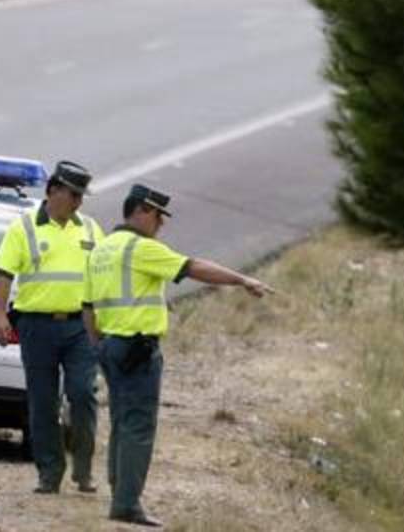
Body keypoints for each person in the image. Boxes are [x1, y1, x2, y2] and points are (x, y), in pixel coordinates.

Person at [83, 184, 272, 527]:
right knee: (139, 426)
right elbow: (193, 267)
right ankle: (126, 504)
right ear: (140, 211)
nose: (160, 225)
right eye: (158, 216)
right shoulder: (141, 248)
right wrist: (242, 279)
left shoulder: (102, 249)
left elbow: (86, 306)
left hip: (109, 345)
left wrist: (97, 344)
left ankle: (119, 494)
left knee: (121, 424)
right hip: (137, 348)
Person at [0, 161, 105, 495]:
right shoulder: (23, 228)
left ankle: (83, 470)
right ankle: (49, 472)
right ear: (53, 190)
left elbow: (107, 272)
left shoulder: (90, 229)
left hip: (80, 327)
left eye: (82, 196)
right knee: (42, 402)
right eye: (73, 195)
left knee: (83, 395)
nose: (78, 203)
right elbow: (3, 275)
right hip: (36, 327)